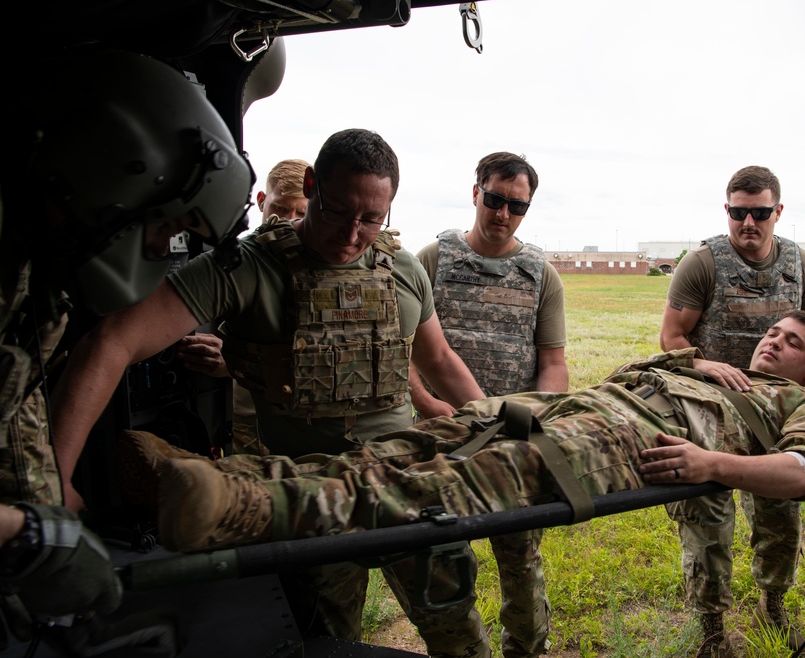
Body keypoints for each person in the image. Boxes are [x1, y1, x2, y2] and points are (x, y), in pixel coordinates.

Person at [50, 129, 491, 657]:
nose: (354, 234)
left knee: (462, 640)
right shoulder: (246, 268)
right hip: (307, 500)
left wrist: (497, 420)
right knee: (324, 643)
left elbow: (438, 359)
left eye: (372, 219)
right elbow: (112, 342)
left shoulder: (402, 266)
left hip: (404, 488)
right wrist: (54, 477)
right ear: (311, 186)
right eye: (337, 211)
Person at [119, 313, 805, 596]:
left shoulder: (802, 405)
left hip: (612, 446)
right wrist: (696, 365)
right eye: (773, 333)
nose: (771, 343)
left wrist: (712, 465)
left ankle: (243, 508)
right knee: (402, 445)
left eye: (790, 344)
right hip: (559, 411)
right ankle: (216, 474)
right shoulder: (709, 364)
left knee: (444, 487)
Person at [1, 49, 252, 634]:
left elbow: (14, 410)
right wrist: (28, 536)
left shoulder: (35, 277)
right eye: (165, 225)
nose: (162, 248)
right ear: (113, 169)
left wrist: (46, 498)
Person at [657, 166, 805, 656]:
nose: (747, 223)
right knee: (707, 513)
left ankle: (772, 603)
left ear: (777, 211)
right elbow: (671, 337)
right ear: (726, 210)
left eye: (758, 213)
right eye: (737, 212)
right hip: (710, 410)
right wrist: (707, 366)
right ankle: (712, 628)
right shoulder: (703, 262)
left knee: (781, 511)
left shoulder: (800, 264)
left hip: (772, 410)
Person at [409, 152, 567, 658]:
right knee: (442, 554)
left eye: (516, 207)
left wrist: (542, 422)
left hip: (511, 436)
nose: (502, 214)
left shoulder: (541, 274)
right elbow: (405, 352)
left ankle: (528, 648)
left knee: (520, 557)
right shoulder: (432, 259)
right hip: (443, 433)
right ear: (476, 192)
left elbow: (552, 362)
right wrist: (430, 407)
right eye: (495, 200)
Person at [176, 158, 311, 455]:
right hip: (240, 419)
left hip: (293, 422)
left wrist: (233, 364)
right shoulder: (233, 262)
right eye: (279, 208)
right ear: (262, 201)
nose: (287, 221)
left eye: (300, 213)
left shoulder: (315, 269)